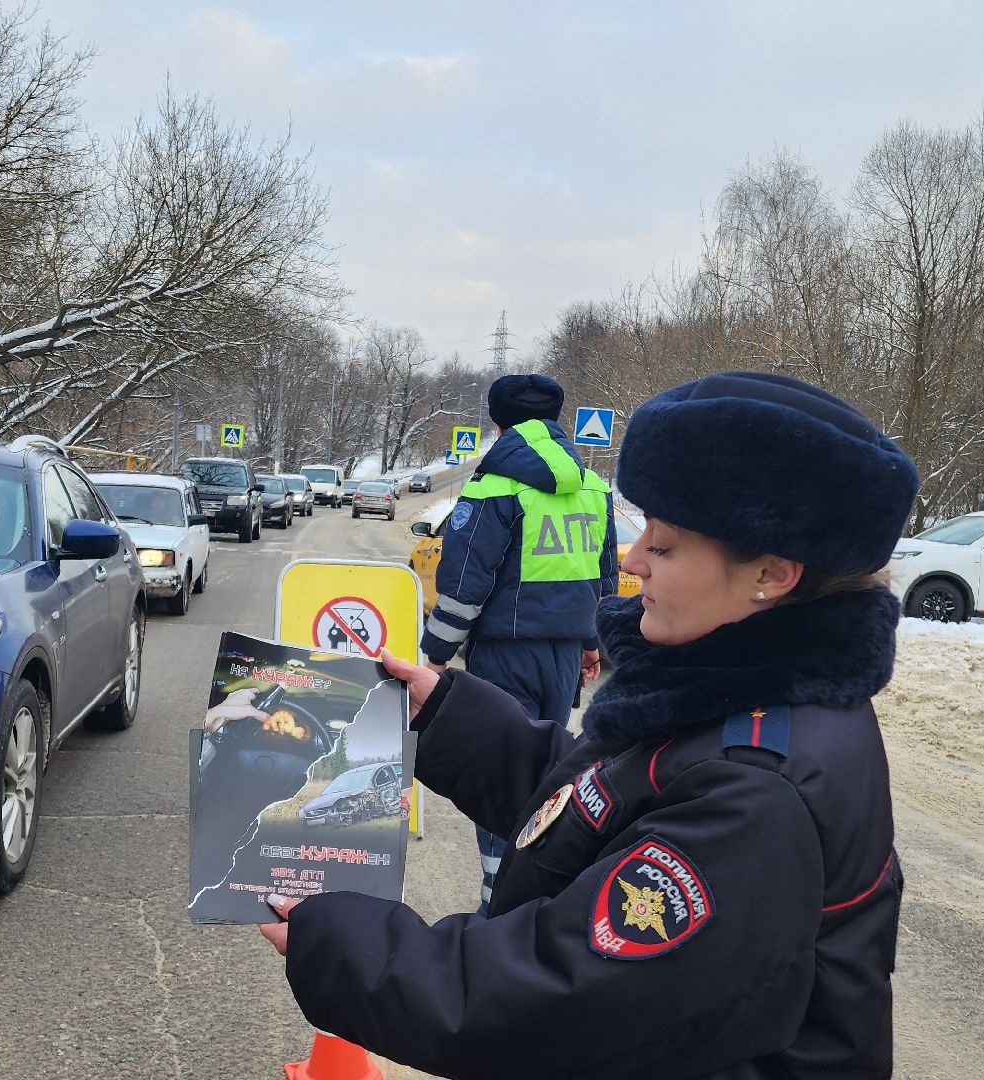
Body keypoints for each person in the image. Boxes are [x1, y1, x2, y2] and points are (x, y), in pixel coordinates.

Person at [257, 371, 919, 1079]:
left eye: (664, 546)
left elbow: (561, 997)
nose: (631, 561)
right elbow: (603, 807)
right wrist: (444, 714)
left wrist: (348, 946)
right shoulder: (724, 693)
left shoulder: (760, 788)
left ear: (773, 574)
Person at [421, 372, 617, 912]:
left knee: (501, 772)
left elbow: (465, 583)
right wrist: (592, 641)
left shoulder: (494, 486)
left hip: (505, 656)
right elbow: (602, 578)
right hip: (564, 656)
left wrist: (435, 654)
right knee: (549, 777)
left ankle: (497, 908)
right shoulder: (593, 487)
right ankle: (534, 900)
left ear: (497, 422)